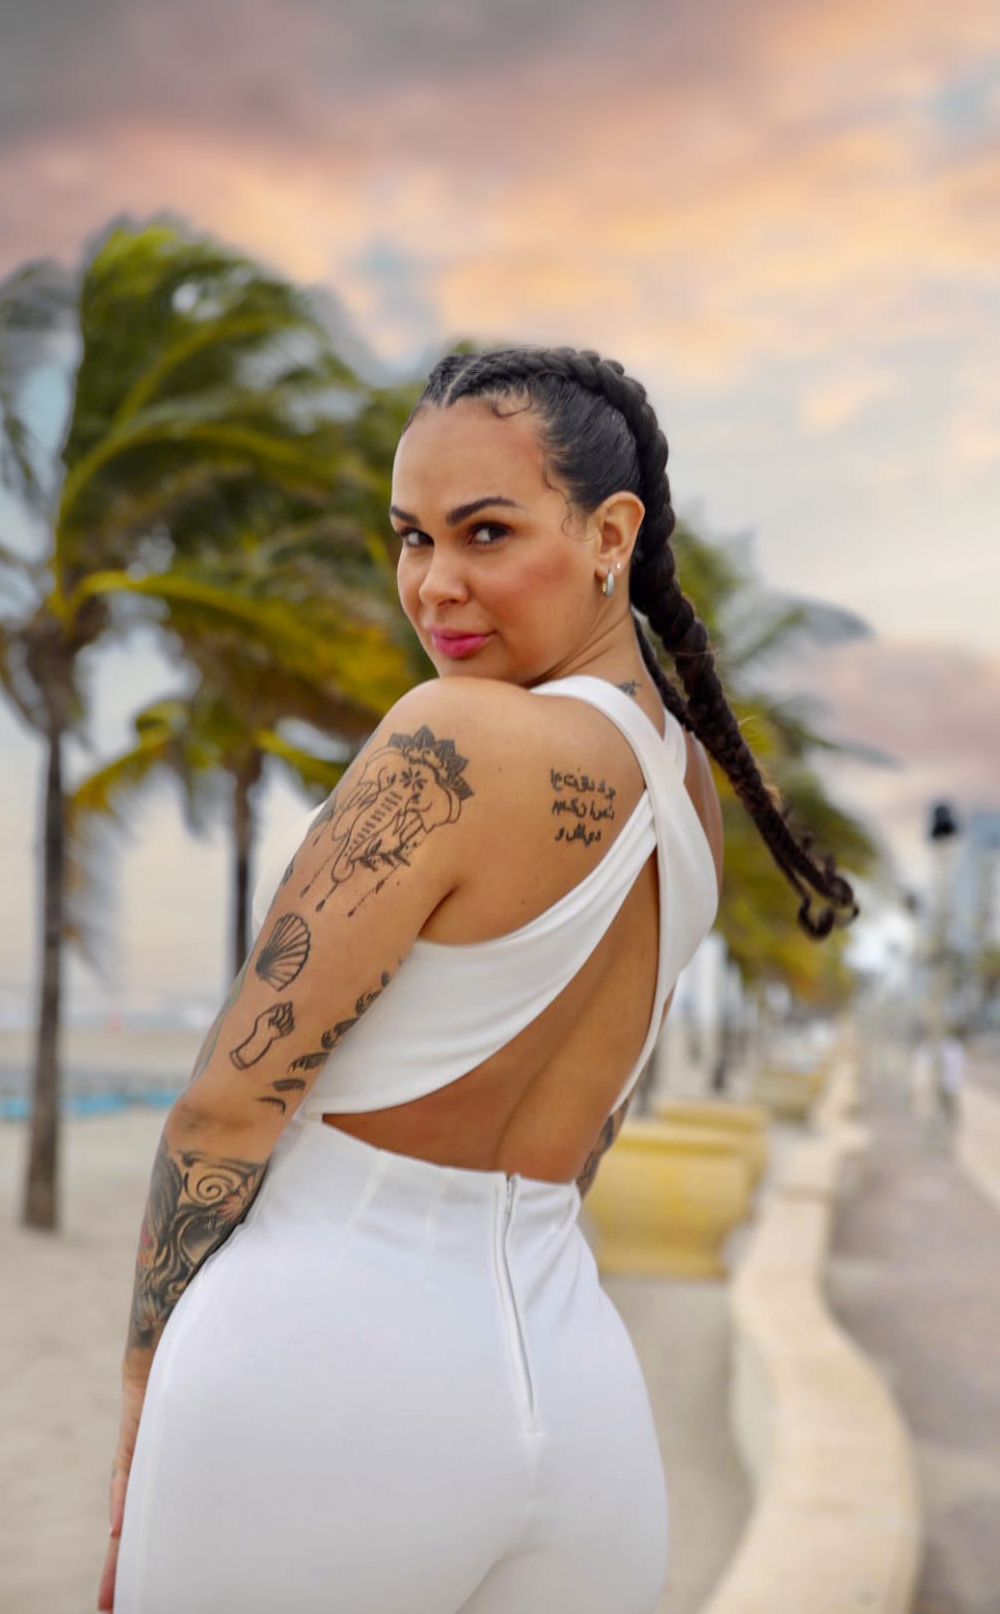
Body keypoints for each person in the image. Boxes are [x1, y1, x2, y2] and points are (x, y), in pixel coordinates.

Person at [101, 347, 857, 1614]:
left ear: (610, 534)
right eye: (412, 537)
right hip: (577, 1395)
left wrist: (142, 1394)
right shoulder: (688, 797)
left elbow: (224, 1111)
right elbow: (592, 1128)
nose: (433, 585)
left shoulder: (452, 735)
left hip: (318, 1375)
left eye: (486, 532)